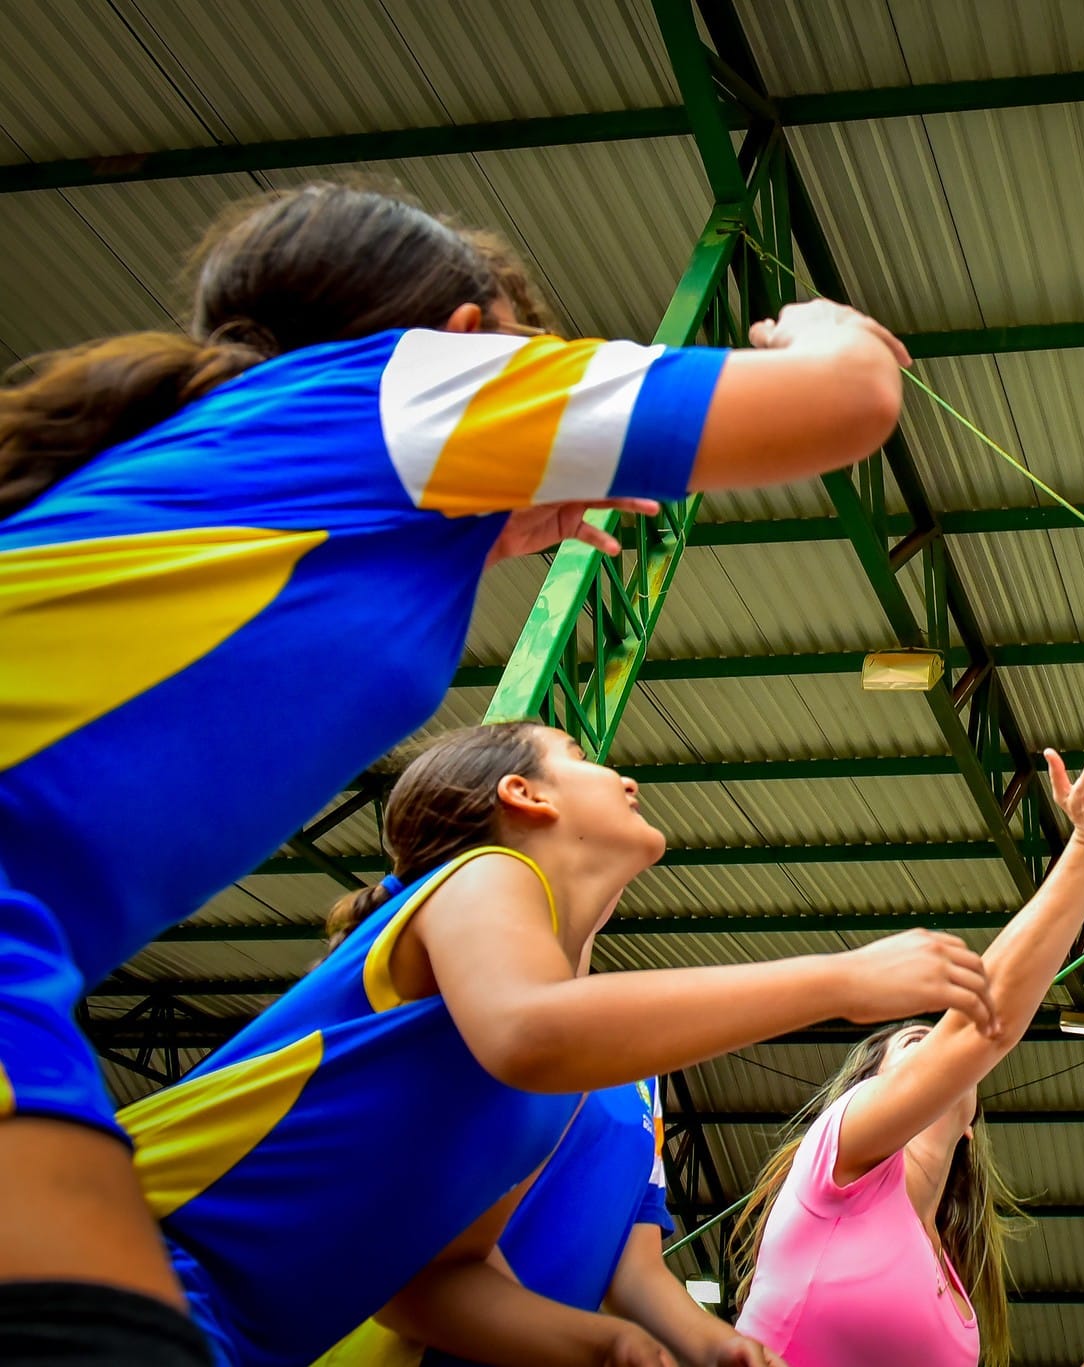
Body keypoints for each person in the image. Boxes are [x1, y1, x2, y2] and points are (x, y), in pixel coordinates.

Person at [0, 182, 916, 1363]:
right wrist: (828, 332)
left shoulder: (290, 468)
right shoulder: (406, 377)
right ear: (471, 332)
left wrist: (488, 525)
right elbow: (846, 403)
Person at [115, 721, 996, 1367]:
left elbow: (433, 1283)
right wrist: (841, 979)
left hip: (234, 1330)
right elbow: (530, 1027)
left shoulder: (543, 1095)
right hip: (126, 1249)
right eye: (578, 754)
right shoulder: (485, 874)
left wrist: (610, 1342)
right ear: (523, 794)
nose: (624, 776)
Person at [730, 730, 1084, 1367]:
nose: (936, 1044)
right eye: (915, 1045)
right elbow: (980, 1029)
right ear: (868, 1093)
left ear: (970, 1122)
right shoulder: (840, 1157)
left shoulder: (961, 1305)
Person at [318, 1074, 786, 1367]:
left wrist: (718, 1347)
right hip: (408, 1348)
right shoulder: (489, 1007)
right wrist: (595, 1343)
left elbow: (636, 1268)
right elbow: (436, 1228)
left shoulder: (644, 1075)